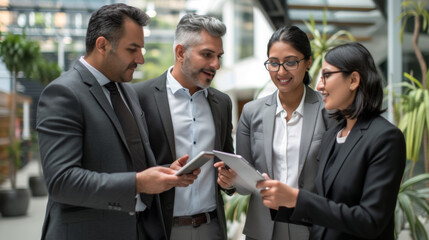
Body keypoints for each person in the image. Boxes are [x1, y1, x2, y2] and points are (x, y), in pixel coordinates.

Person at [36, 4, 199, 240]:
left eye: (141, 49)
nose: (140, 59)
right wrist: (138, 183)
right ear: (102, 45)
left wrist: (163, 172)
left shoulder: (126, 91)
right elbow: (62, 181)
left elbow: (125, 159)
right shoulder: (63, 93)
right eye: (132, 49)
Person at [257, 42, 406, 240]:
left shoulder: (385, 138)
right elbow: (325, 209)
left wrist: (297, 198)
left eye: (326, 75)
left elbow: (370, 221)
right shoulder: (332, 135)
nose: (319, 85)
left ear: (353, 80)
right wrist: (284, 203)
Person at [216, 25, 334, 240]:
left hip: (313, 227)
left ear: (308, 62)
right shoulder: (252, 112)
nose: (281, 71)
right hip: (263, 228)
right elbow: (246, 183)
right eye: (273, 63)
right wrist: (231, 181)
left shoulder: (328, 110)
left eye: (290, 62)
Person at [133, 13, 234, 240]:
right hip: (160, 230)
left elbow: (226, 160)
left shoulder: (222, 103)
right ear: (180, 52)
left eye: (218, 56)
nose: (216, 64)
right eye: (207, 54)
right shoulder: (139, 97)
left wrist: (230, 180)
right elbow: (128, 166)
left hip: (211, 228)